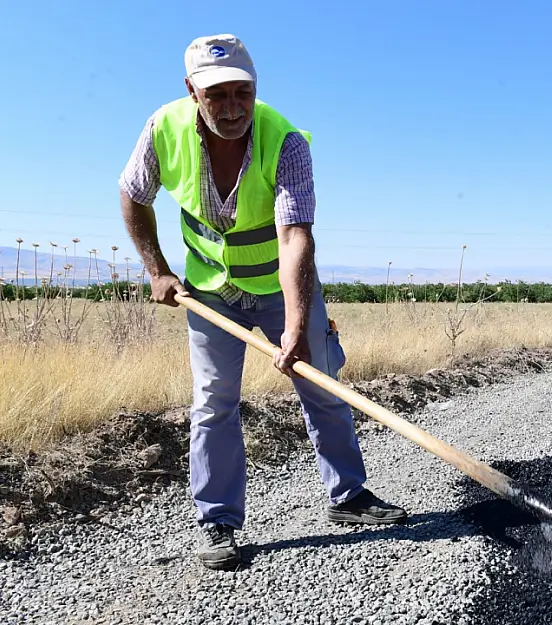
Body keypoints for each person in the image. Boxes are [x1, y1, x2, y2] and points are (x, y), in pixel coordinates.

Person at [118, 34, 408, 571]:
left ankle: (349, 497)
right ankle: (218, 521)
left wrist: (296, 326)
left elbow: (296, 237)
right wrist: (156, 270)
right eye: (216, 95)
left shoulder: (286, 141)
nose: (231, 108)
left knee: (322, 383)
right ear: (191, 92)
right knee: (214, 403)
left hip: (282, 290)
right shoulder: (164, 129)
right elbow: (133, 194)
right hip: (210, 292)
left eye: (242, 94)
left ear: (256, 89)